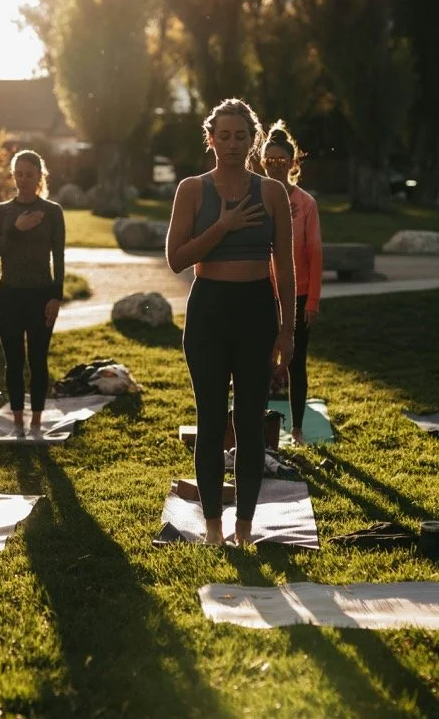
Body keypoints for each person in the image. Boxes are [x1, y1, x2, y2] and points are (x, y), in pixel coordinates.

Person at [166, 98, 295, 546]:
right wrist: (224, 226)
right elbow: (176, 258)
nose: (233, 144)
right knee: (210, 419)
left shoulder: (273, 192)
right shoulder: (192, 189)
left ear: (253, 139)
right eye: (225, 135)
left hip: (257, 309)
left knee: (250, 422)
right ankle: (213, 528)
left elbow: (288, 267)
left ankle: (244, 526)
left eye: (242, 136)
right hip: (209, 310)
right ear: (211, 139)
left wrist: (287, 329)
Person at [0, 150, 66, 435]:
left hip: (42, 295)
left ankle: (37, 421)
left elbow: (59, 256)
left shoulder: (53, 212)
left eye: (29, 174)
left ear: (40, 176)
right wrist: (18, 229)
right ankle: (18, 421)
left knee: (38, 360)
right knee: (14, 361)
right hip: (9, 296)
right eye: (19, 174)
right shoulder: (2, 211)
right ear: (13, 175)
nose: (23, 180)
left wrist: (57, 296)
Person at [258, 122, 321, 443]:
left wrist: (312, 302)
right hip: (260, 293)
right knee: (259, 362)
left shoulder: (305, 203)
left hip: (298, 294)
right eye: (269, 161)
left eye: (281, 161)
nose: (274, 167)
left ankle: (297, 428)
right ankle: (258, 425)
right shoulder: (254, 196)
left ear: (293, 164)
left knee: (295, 361)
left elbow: (314, 252)